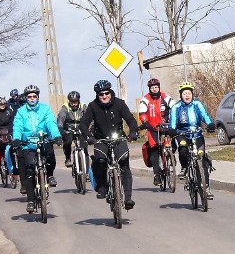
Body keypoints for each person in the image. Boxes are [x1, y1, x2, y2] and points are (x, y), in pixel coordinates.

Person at [79, 79, 139, 209]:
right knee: (99, 161)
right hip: (101, 140)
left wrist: (134, 131)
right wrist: (89, 137)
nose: (104, 96)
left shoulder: (119, 104)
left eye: (106, 93)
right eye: (101, 94)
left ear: (110, 92)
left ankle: (128, 197)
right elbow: (83, 123)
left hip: (119, 139)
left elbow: (130, 119)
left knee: (123, 162)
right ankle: (102, 187)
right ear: (97, 95)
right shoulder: (93, 106)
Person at [11, 85, 63, 213]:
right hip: (28, 143)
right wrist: (17, 138)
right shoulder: (21, 111)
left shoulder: (45, 109)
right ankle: (31, 201)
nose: (32, 98)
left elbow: (51, 122)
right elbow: (17, 126)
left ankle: (50, 175)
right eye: (29, 96)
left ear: (38, 97)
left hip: (43, 139)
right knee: (29, 170)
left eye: (34, 96)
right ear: (26, 98)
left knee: (50, 156)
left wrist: (56, 136)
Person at [168, 81, 216, 199]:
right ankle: (184, 168)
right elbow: (173, 122)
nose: (187, 95)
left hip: (197, 134)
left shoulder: (197, 104)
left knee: (202, 158)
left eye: (189, 93)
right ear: (181, 95)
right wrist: (172, 130)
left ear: (192, 94)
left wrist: (210, 124)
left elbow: (204, 115)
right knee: (183, 149)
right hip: (182, 134)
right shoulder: (176, 107)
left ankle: (206, 187)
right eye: (185, 93)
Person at [138, 78, 176, 186]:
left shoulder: (164, 96)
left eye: (156, 87)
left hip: (165, 125)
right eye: (152, 87)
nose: (155, 89)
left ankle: (171, 157)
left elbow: (174, 106)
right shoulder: (145, 99)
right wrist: (145, 122)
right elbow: (142, 112)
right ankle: (157, 175)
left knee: (175, 139)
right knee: (154, 150)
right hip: (152, 128)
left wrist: (172, 118)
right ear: (149, 89)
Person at [57, 90, 88, 168]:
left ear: (78, 101)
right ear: (69, 101)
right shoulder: (65, 107)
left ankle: (86, 169)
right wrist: (60, 128)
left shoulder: (83, 106)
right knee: (68, 141)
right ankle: (68, 159)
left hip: (80, 129)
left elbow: (89, 117)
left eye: (75, 102)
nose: (74, 104)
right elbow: (61, 118)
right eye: (72, 102)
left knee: (84, 145)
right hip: (69, 129)